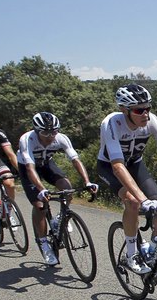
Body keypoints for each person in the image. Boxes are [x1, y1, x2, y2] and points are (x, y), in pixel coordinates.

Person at [95, 84, 157, 276]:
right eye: (139, 110)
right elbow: (117, 166)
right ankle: (131, 254)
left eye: (148, 108)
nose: (146, 114)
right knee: (133, 202)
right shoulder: (111, 124)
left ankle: (151, 252)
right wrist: (143, 200)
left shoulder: (152, 121)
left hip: (135, 164)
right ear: (124, 110)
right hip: (110, 167)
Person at [18, 112, 98, 266]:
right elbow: (29, 167)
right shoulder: (27, 139)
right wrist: (41, 189)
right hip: (28, 168)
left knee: (67, 189)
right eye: (45, 132)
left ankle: (59, 219)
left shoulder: (61, 138)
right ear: (36, 130)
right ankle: (43, 243)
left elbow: (75, 160)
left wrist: (87, 182)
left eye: (54, 131)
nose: (50, 136)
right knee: (40, 205)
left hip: (47, 164)